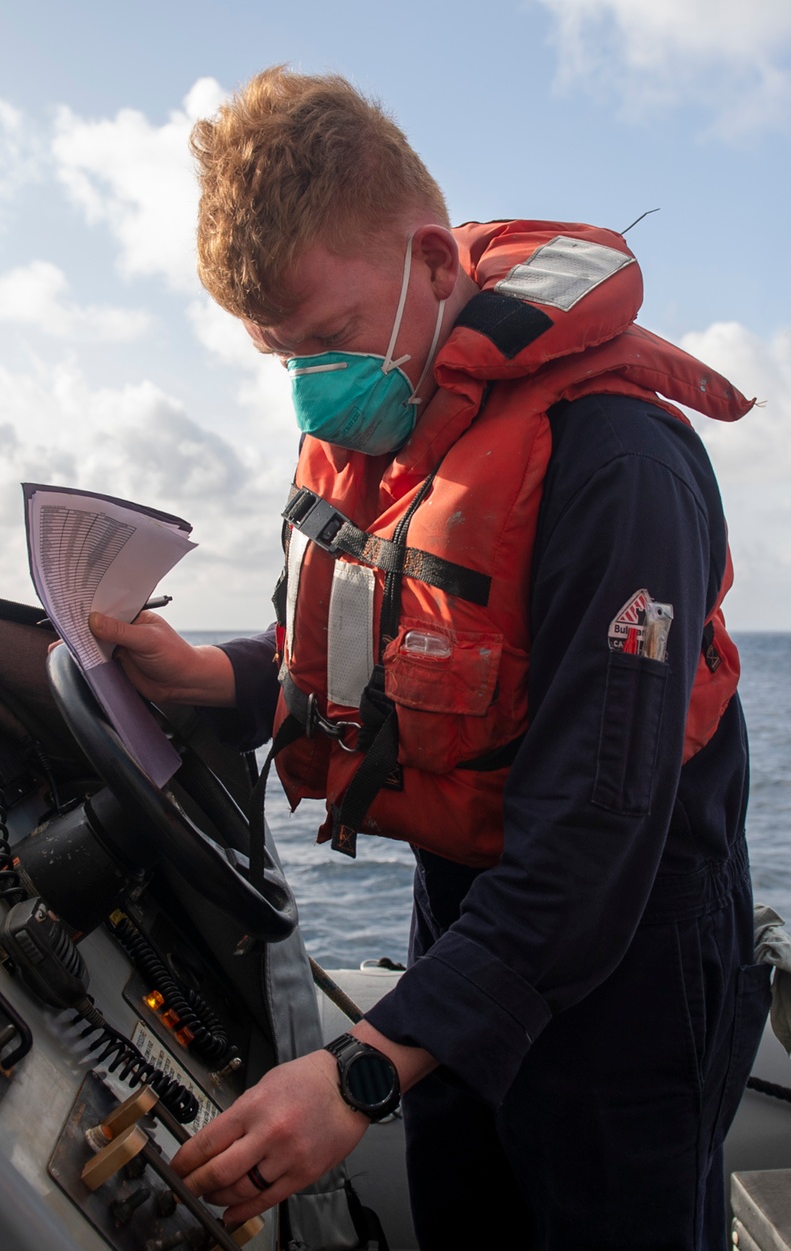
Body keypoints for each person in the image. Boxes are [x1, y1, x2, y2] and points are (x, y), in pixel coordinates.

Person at [90, 67, 771, 1249]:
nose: (311, 388)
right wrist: (227, 681)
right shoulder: (409, 429)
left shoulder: (619, 467)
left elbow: (593, 841)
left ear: (437, 266)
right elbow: (390, 653)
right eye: (278, 357)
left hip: (627, 956)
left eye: (328, 339)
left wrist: (359, 1073)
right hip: (467, 916)